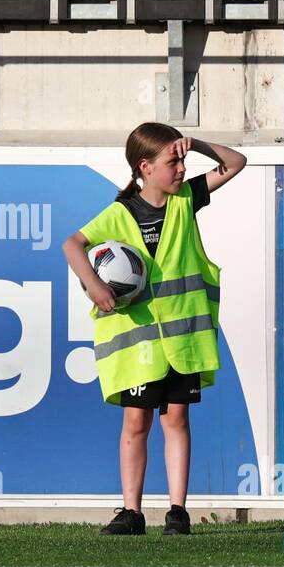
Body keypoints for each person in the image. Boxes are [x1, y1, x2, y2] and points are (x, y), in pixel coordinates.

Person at [63, 123, 246, 535]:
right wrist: (93, 284)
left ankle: (177, 510)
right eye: (172, 161)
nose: (181, 167)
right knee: (136, 423)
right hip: (138, 344)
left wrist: (195, 143)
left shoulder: (187, 200)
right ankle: (131, 512)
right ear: (145, 167)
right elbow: (72, 244)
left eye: (182, 159)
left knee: (176, 418)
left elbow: (236, 162)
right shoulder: (119, 213)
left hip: (183, 341)